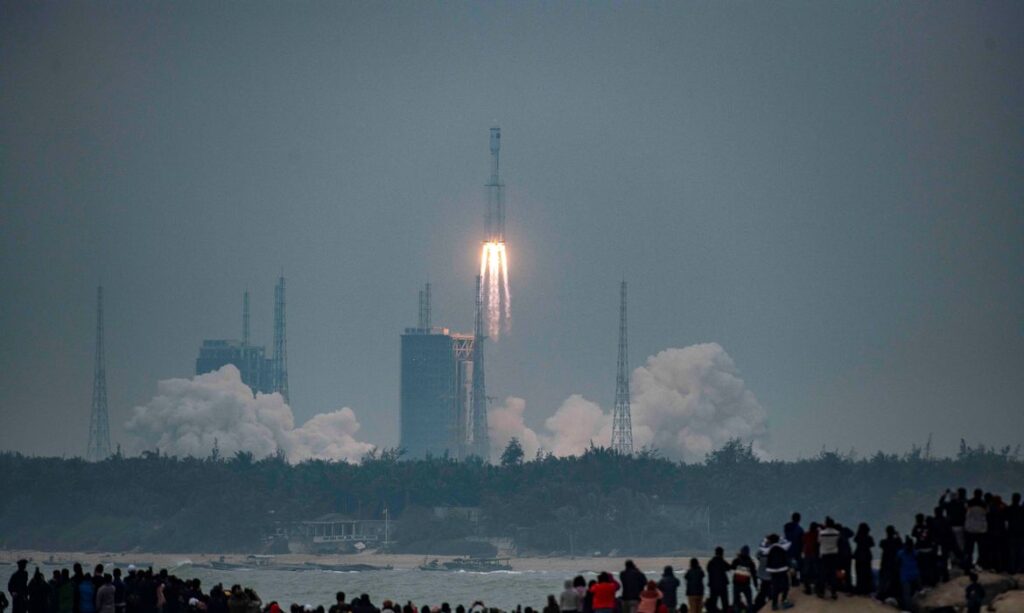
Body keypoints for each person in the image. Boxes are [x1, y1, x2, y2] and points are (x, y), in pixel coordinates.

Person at [761, 534, 793, 611]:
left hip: (773, 570)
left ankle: (774, 604)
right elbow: (789, 542)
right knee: (786, 586)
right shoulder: (782, 547)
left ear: (770, 541)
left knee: (775, 587)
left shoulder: (768, 549)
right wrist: (781, 537)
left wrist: (765, 539)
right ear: (778, 540)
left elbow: (761, 547)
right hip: (782, 569)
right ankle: (784, 601)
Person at [817, 518, 840, 599]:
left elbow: (819, 541)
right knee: (833, 573)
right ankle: (834, 592)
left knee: (823, 574)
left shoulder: (821, 533)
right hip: (834, 554)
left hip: (824, 554)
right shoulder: (837, 533)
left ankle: (821, 592)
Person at [964, 489, 987, 569]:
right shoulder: (984, 504)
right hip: (981, 529)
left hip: (970, 529)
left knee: (969, 549)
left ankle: (969, 564)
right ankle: (980, 563)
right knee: (981, 549)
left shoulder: (969, 503)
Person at [730, 546, 757, 612]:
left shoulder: (736, 560)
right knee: (749, 601)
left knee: (736, 601)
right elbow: (754, 575)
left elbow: (732, 568)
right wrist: (756, 584)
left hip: (736, 584)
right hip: (746, 584)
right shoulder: (751, 562)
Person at [897, 537, 921, 610]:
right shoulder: (901, 553)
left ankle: (914, 607)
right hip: (907, 576)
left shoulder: (914, 553)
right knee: (907, 594)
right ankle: (909, 608)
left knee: (919, 591)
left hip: (912, 575)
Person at [853, 523, 874, 595]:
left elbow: (855, 539)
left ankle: (859, 588)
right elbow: (872, 544)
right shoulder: (869, 538)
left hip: (859, 556)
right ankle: (866, 589)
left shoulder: (858, 537)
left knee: (859, 573)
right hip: (867, 557)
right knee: (867, 573)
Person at [705, 548, 729, 612]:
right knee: (725, 604)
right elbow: (729, 567)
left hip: (713, 586)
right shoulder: (722, 561)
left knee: (713, 604)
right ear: (722, 553)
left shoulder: (711, 562)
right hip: (723, 586)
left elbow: (708, 569)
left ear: (715, 553)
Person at [783, 513, 804, 587]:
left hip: (787, 550)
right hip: (796, 550)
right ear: (799, 519)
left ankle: (790, 581)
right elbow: (801, 541)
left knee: (790, 566)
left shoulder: (787, 527)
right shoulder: (799, 529)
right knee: (796, 566)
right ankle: (795, 581)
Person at [800, 522, 819, 596]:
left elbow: (803, 541)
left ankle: (807, 588)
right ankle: (816, 588)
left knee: (806, 572)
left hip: (807, 554)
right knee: (816, 571)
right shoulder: (817, 534)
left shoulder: (806, 534)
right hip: (815, 554)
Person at [1008, 493, 1024, 573]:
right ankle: (1020, 568)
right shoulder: (1021, 509)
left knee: (1012, 552)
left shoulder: (1009, 509)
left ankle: (1012, 568)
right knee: (1020, 552)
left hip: (1012, 532)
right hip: (1021, 533)